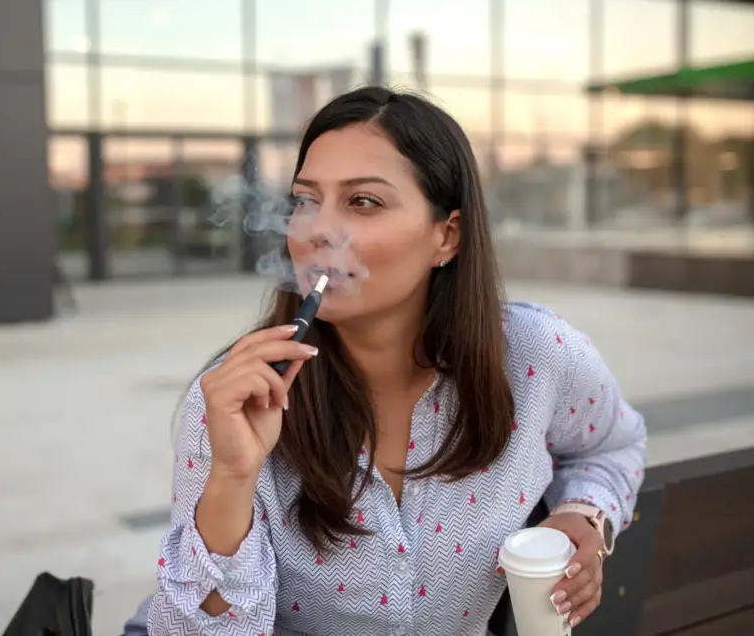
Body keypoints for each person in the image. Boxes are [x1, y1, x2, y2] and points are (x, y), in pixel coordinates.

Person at [143, 86, 647, 636]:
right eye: (305, 201)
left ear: (446, 237)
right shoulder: (233, 403)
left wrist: (585, 513)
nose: (317, 231)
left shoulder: (535, 358)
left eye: (363, 202)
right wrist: (232, 478)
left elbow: (613, 446)